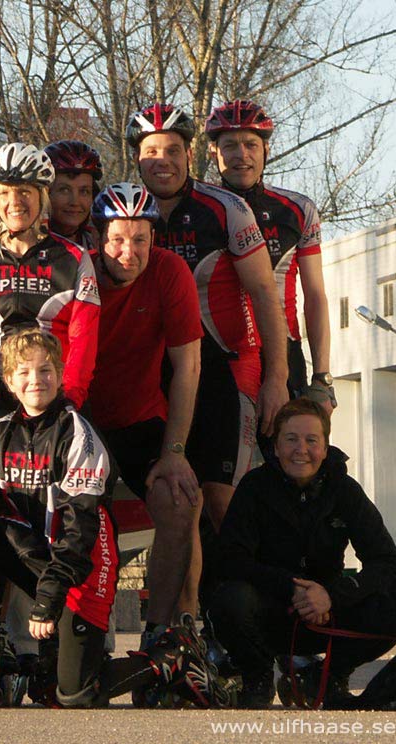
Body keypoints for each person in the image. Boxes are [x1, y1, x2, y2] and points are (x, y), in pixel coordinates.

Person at [0, 329, 225, 708]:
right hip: (36, 555)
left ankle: (170, 660)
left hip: (83, 568)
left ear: (61, 375)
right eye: (24, 372)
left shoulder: (79, 434)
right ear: (9, 381)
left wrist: (46, 604)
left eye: (46, 370)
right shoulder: (2, 429)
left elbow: (77, 534)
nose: (36, 380)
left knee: (74, 695)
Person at [128, 103, 291, 616]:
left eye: (172, 150)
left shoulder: (226, 209)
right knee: (182, 504)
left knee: (224, 504)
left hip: (221, 370)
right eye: (151, 151)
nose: (162, 161)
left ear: (190, 153)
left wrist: (277, 377)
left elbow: (267, 295)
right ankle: (189, 620)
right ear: (137, 158)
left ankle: (255, 617)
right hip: (151, 375)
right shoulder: (123, 211)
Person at [211, 399, 396, 709]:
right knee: (228, 597)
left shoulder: (345, 490)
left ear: (326, 447)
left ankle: (326, 675)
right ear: (276, 447)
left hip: (328, 613)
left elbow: (386, 561)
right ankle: (257, 676)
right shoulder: (253, 488)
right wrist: (293, 587)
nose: (300, 449)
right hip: (270, 611)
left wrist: (333, 595)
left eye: (311, 440)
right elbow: (231, 559)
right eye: (291, 439)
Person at [83, 183, 204, 645]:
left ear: (155, 239)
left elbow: (187, 366)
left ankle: (164, 631)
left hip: (140, 416)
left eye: (140, 240)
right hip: (85, 417)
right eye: (117, 239)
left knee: (180, 501)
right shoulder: (80, 269)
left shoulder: (170, 271)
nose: (128, 252)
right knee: (75, 515)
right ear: (99, 239)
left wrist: (175, 451)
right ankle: (83, 629)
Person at [0, 143, 100, 449]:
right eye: (4, 193)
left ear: (42, 196)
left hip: (55, 399)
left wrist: (69, 399)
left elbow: (84, 340)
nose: (14, 202)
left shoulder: (72, 257)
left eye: (25, 192)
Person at [205, 100, 333, 407]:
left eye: (251, 144)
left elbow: (314, 295)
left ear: (266, 150)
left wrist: (323, 377)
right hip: (218, 354)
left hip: (284, 352)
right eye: (229, 146)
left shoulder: (297, 210)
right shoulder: (201, 208)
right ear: (213, 153)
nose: (241, 155)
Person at [44, 140, 104, 250]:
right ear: (45, 194)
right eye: (64, 190)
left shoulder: (101, 247)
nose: (75, 202)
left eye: (84, 191)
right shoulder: (23, 246)